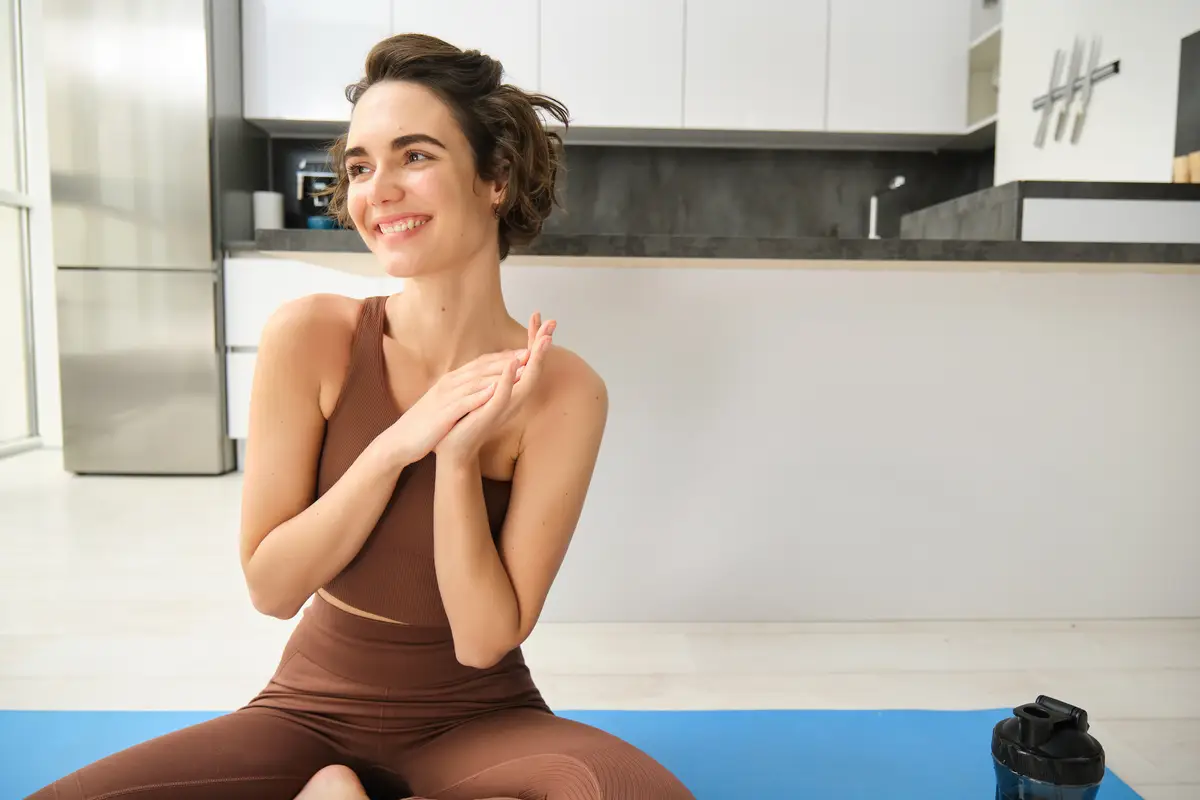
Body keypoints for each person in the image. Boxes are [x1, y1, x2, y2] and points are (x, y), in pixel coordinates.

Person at [28, 33, 695, 800]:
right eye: (359, 166)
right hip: (307, 714)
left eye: (415, 156)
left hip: (478, 720)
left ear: (496, 178)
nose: (378, 189)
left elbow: (483, 641)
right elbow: (272, 589)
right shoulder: (312, 335)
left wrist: (453, 458)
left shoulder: (563, 390)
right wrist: (394, 446)